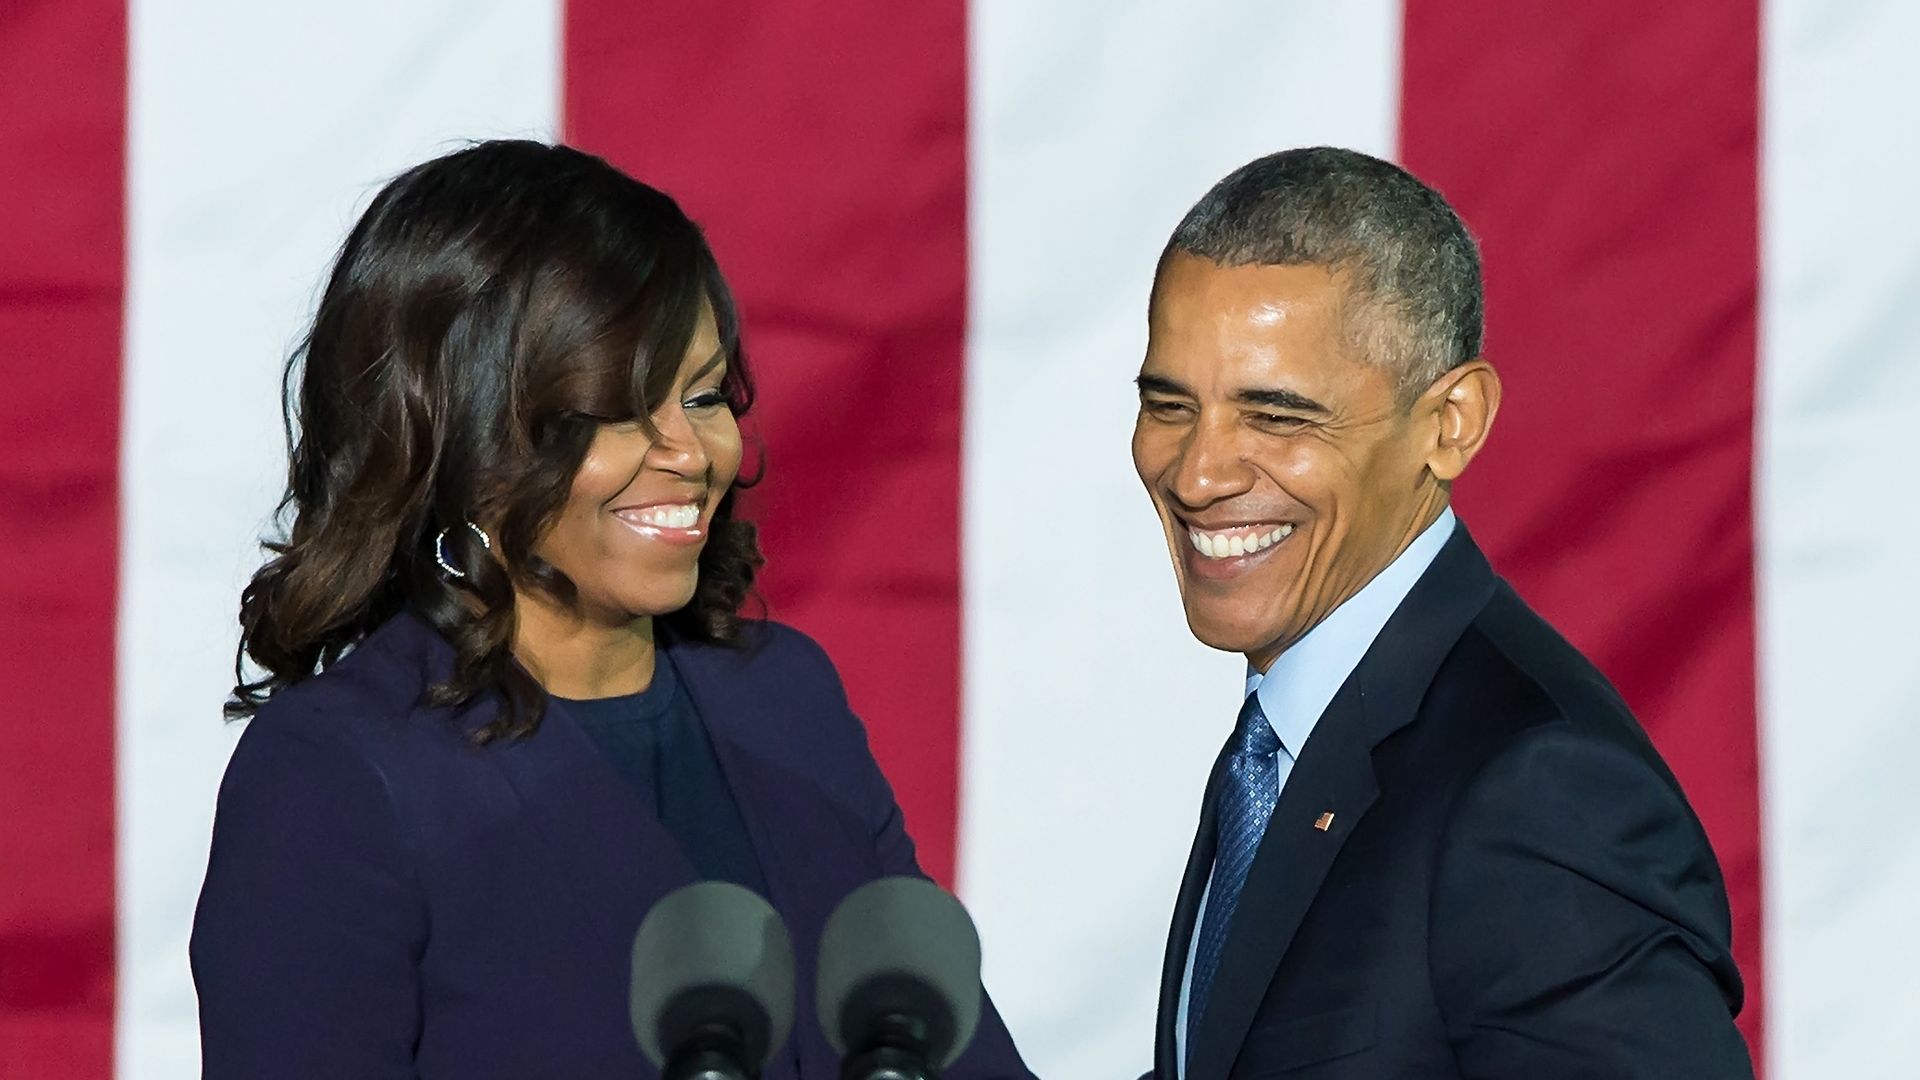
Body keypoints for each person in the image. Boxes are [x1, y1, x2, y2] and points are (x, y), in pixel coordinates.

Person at [190, 140, 1031, 1080]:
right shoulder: (336, 776)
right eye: (620, 407)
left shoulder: (786, 698)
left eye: (705, 395)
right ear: (460, 429)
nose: (691, 452)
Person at [1133, 147, 1751, 1079]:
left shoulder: (1540, 792)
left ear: (1450, 423)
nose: (1197, 472)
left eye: (1277, 417)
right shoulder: (1289, 736)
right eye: (1170, 404)